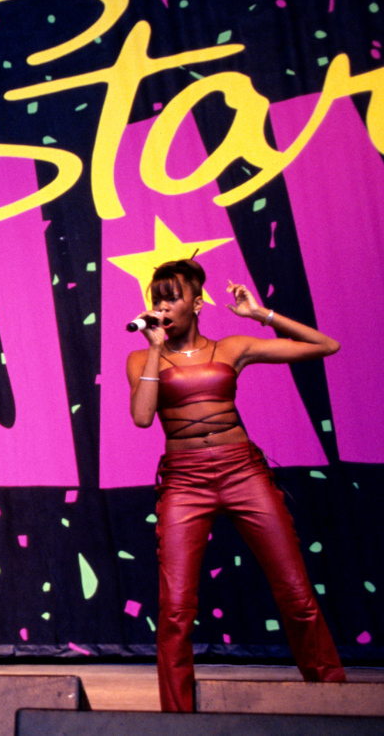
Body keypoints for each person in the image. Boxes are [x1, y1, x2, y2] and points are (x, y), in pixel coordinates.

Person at [126, 258, 346, 712]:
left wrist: (260, 315)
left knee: (296, 594)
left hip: (242, 471)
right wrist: (152, 348)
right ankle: (179, 719)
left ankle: (334, 703)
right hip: (185, 482)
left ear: (197, 302)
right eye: (157, 297)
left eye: (173, 296)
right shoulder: (140, 357)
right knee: (175, 611)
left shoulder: (231, 347)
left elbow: (327, 344)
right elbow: (143, 417)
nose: (163, 305)